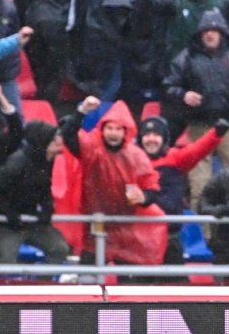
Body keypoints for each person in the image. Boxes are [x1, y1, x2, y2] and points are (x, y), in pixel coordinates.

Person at [163, 9, 229, 210]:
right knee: (199, 184)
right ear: (200, 34)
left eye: (214, 30)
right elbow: (168, 87)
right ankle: (202, 237)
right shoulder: (186, 58)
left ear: (222, 32)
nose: (210, 34)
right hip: (199, 127)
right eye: (205, 30)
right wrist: (183, 95)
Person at [60, 97, 166, 267]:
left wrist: (143, 197)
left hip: (127, 231)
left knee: (130, 286)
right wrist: (82, 110)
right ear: (102, 129)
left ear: (126, 132)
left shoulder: (137, 156)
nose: (113, 133)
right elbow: (67, 135)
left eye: (118, 129)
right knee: (89, 282)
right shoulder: (90, 148)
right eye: (109, 128)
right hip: (95, 227)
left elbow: (151, 191)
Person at [138, 115, 228, 265]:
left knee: (176, 285)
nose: (151, 139)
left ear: (164, 139)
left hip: (170, 237)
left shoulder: (175, 158)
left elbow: (197, 150)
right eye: (146, 135)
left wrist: (216, 134)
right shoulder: (130, 161)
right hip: (139, 238)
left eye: (156, 134)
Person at [0, 120, 70, 264]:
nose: (58, 141)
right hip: (6, 223)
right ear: (42, 142)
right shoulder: (17, 162)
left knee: (59, 249)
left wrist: (47, 208)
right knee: (5, 261)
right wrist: (8, 213)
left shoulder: (47, 160)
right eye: (52, 138)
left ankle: (41, 284)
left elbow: (44, 189)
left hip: (31, 220)